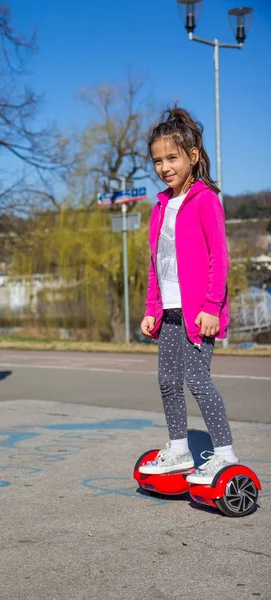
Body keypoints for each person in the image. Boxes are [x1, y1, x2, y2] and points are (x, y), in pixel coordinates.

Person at [139, 107, 238, 485]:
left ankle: (225, 455)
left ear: (192, 156)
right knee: (167, 380)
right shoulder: (161, 205)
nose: (164, 167)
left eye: (172, 158)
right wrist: (152, 308)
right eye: (157, 160)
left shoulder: (205, 199)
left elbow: (220, 258)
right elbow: (156, 262)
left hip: (199, 312)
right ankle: (179, 449)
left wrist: (213, 307)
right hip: (169, 311)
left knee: (197, 381)